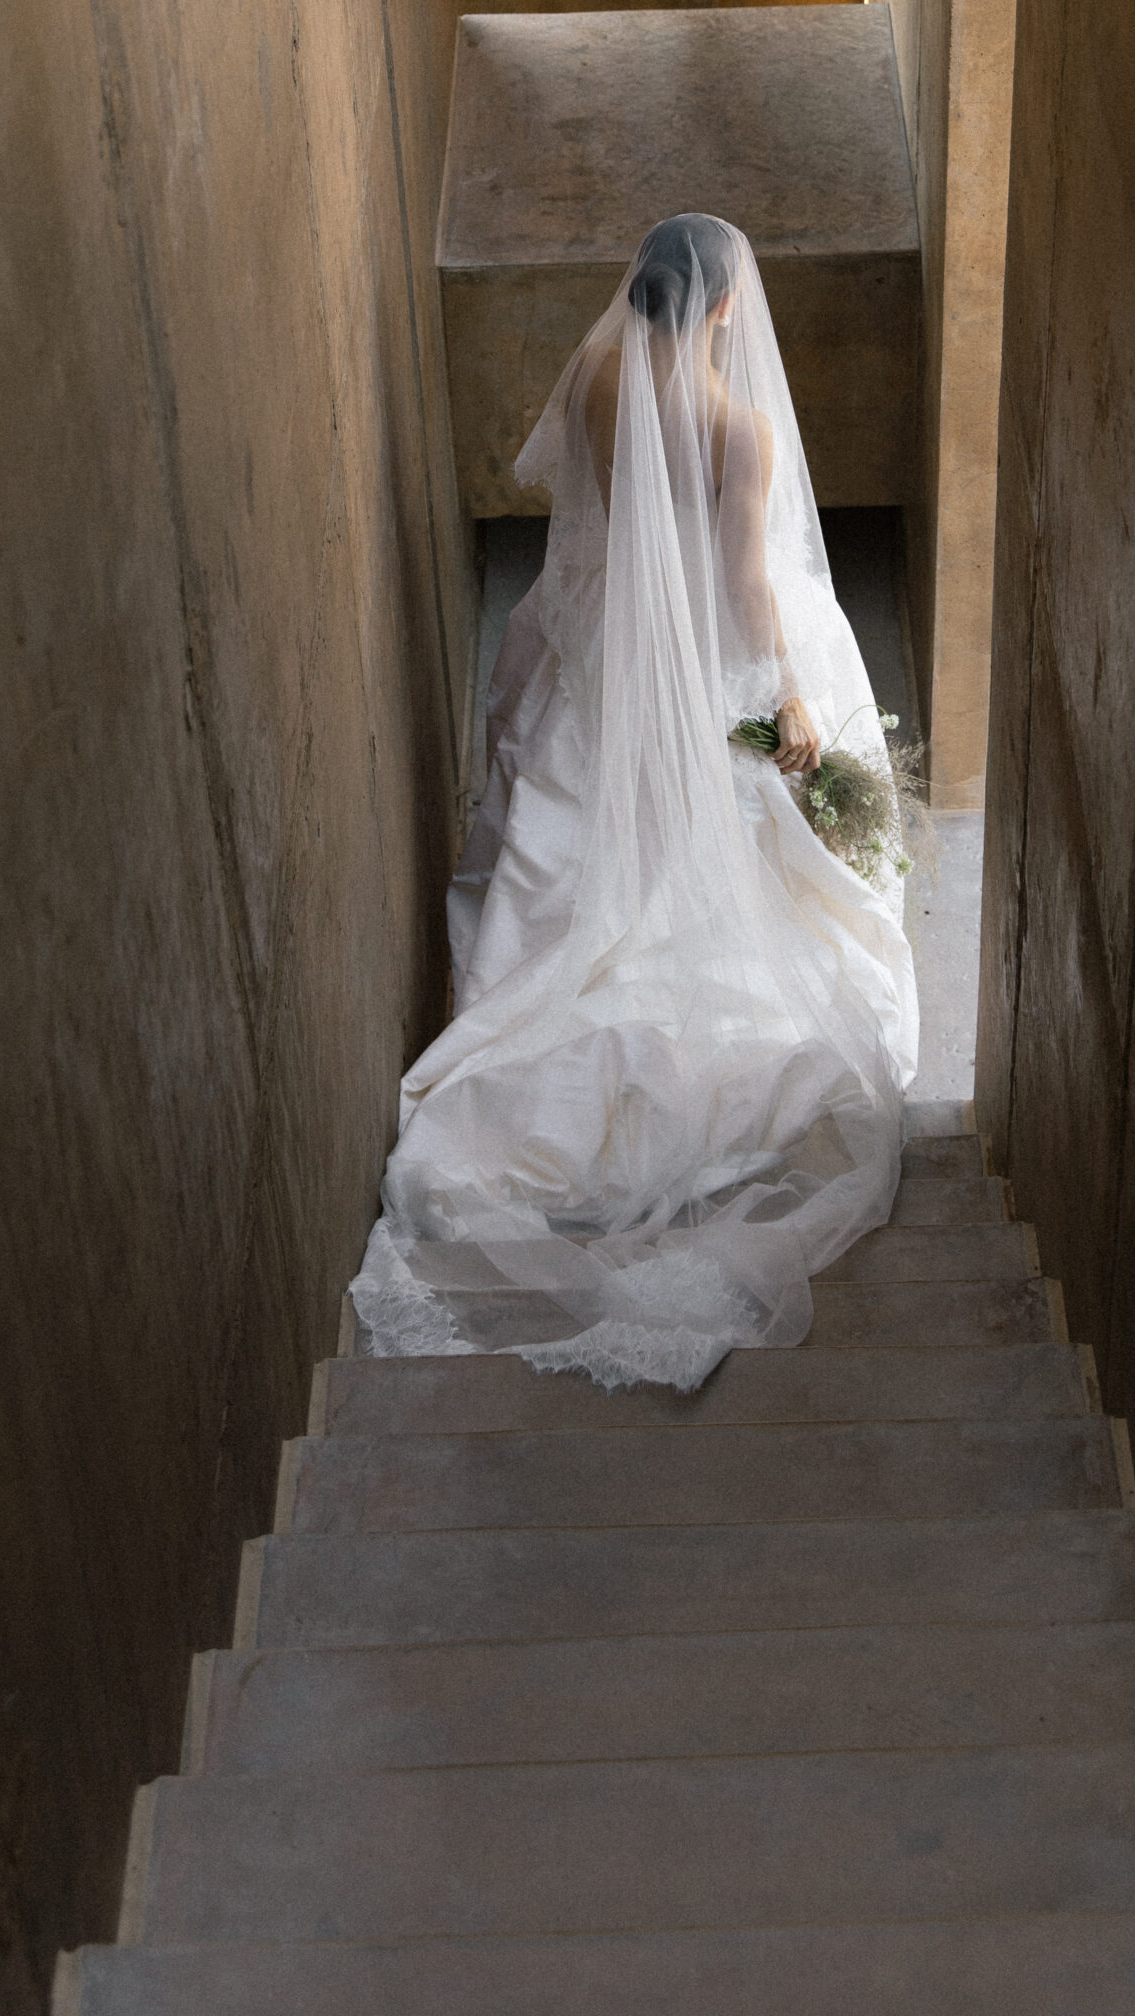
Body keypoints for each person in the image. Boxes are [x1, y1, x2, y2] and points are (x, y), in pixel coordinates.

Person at [350, 214, 918, 1389]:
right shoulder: (738, 429)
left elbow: (593, 523)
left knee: (561, 828)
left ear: (642, 294)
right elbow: (750, 590)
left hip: (613, 647)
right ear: (722, 310)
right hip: (702, 658)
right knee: (778, 790)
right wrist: (787, 706)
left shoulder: (601, 372)